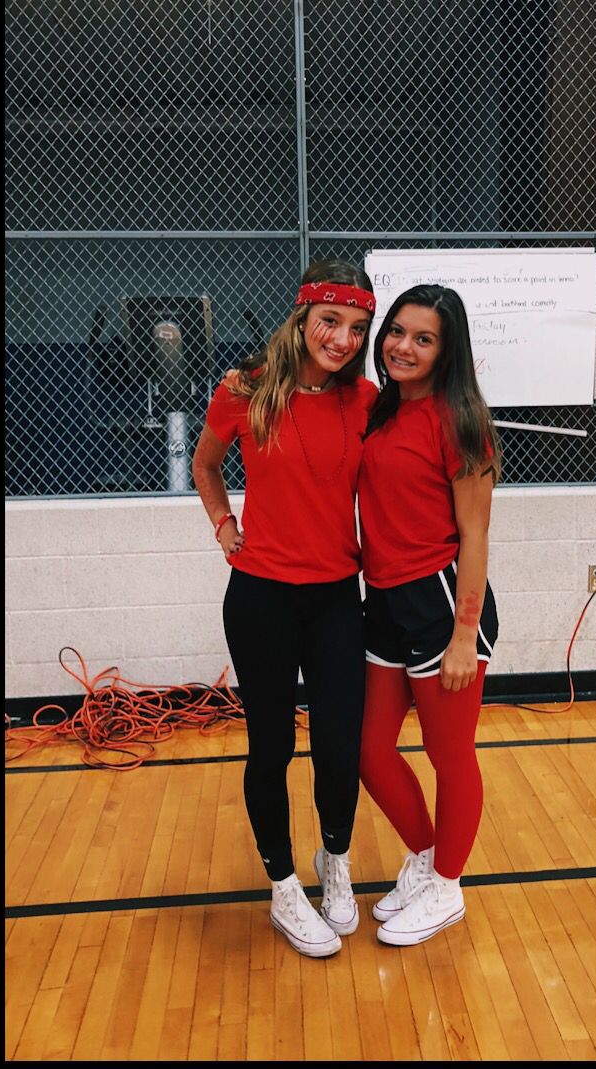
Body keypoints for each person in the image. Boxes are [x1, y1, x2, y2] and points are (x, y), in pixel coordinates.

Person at [192, 260, 378, 957]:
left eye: (357, 327)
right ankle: (281, 885)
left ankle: (335, 861)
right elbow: (205, 463)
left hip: (336, 596)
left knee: (339, 743)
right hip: (262, 596)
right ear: (301, 317)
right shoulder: (244, 389)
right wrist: (222, 524)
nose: (342, 338)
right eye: (331, 321)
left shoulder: (363, 399)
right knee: (271, 744)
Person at [357, 284, 500, 946]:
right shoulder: (377, 410)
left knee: (449, 755)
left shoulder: (460, 420)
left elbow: (475, 534)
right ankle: (424, 855)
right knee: (368, 748)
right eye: (396, 331)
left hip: (442, 603)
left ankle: (447, 885)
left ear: (446, 351)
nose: (402, 346)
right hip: (382, 599)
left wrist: (463, 636)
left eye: (423, 338)